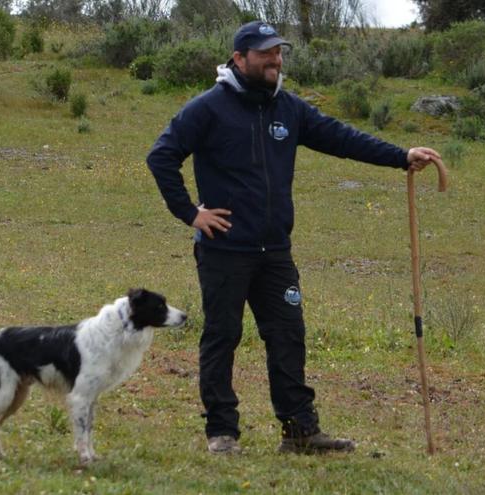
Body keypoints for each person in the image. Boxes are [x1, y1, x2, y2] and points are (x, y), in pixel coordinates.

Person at [146, 20, 441, 455]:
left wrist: (400, 157)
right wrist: (192, 213)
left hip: (274, 251)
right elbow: (161, 156)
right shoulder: (208, 108)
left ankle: (300, 432)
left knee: (288, 336)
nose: (276, 60)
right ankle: (222, 433)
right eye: (266, 53)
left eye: (279, 52)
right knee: (222, 336)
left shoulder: (289, 109)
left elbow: (342, 138)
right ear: (239, 58)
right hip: (225, 250)